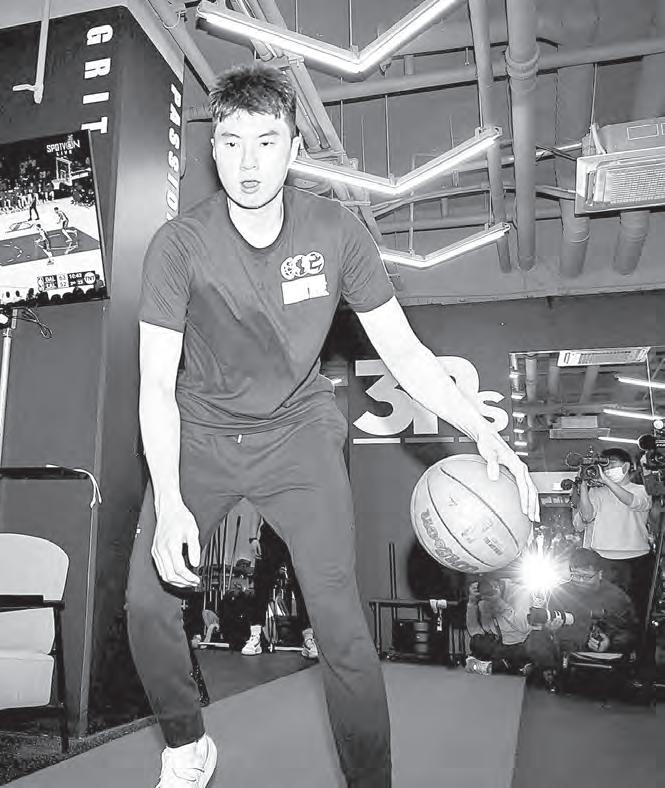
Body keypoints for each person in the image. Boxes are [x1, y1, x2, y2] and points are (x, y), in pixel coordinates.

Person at [127, 63, 539, 788]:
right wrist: (168, 503)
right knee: (145, 603)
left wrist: (478, 428)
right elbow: (155, 384)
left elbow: (404, 351)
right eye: (232, 142)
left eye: (266, 141)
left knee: (341, 626)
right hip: (202, 434)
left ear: (293, 148)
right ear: (212, 149)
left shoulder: (335, 230)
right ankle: (186, 744)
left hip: (299, 434)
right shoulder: (178, 245)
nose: (248, 162)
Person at [525, 548, 639, 671]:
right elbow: (547, 623)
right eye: (575, 575)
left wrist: (609, 642)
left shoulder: (616, 597)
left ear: (600, 574)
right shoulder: (559, 592)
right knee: (535, 639)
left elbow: (630, 634)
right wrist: (550, 630)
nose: (580, 581)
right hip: (562, 654)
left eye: (586, 576)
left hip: (599, 658)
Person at [573, 448, 653, 622]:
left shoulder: (641, 490)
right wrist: (584, 487)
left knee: (637, 609)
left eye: (611, 464)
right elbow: (587, 516)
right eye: (604, 465)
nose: (607, 469)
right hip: (604, 558)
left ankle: (639, 637)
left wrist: (607, 481)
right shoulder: (598, 491)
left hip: (636, 559)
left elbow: (632, 502)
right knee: (606, 611)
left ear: (626, 466)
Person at [242, 520, 318, 659]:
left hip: (295, 534)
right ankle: (256, 635)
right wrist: (253, 538)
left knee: (301, 585)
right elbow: (258, 508)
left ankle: (308, 639)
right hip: (271, 534)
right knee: (261, 584)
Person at [465, 576, 532, 675]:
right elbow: (474, 631)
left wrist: (499, 602)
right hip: (499, 645)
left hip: (520, 643)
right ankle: (508, 666)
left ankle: (497, 666)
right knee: (477, 641)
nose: (485, 590)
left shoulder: (521, 593)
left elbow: (524, 628)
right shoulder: (483, 599)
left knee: (521, 652)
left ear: (497, 583)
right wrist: (472, 603)